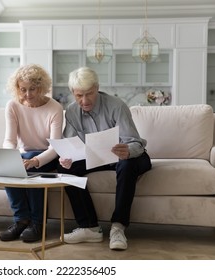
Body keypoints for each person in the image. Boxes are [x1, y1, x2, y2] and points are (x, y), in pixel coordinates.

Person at [57, 66, 152, 250]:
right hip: (96, 157)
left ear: (97, 88)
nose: (84, 101)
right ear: (72, 93)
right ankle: (89, 227)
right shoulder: (71, 112)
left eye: (89, 94)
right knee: (65, 168)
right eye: (79, 95)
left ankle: (118, 227)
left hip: (129, 156)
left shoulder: (116, 106)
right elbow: (70, 144)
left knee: (127, 164)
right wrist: (66, 158)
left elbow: (136, 143)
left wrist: (126, 150)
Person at [0, 64, 64, 243]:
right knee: (9, 167)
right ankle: (21, 220)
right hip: (24, 154)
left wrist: (35, 160)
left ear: (41, 87)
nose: (28, 95)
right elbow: (9, 140)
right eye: (23, 89)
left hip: (47, 155)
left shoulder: (55, 108)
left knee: (32, 170)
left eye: (32, 89)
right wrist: (9, 156)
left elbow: (55, 147)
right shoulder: (12, 106)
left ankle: (37, 223)